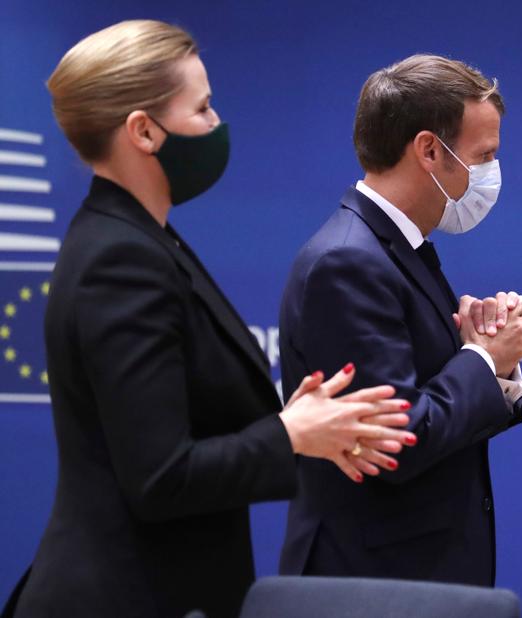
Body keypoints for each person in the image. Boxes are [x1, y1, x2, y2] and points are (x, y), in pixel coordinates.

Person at [10, 21, 417, 618]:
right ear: (144, 132)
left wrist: (305, 424)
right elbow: (159, 477)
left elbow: (182, 420)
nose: (215, 124)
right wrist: (290, 434)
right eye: (201, 108)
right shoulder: (119, 260)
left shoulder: (143, 240)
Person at [278, 54, 522, 586]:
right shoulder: (347, 261)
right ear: (429, 150)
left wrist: (480, 356)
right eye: (483, 155)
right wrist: (485, 359)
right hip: (372, 582)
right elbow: (396, 440)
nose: (490, 173)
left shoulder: (399, 248)